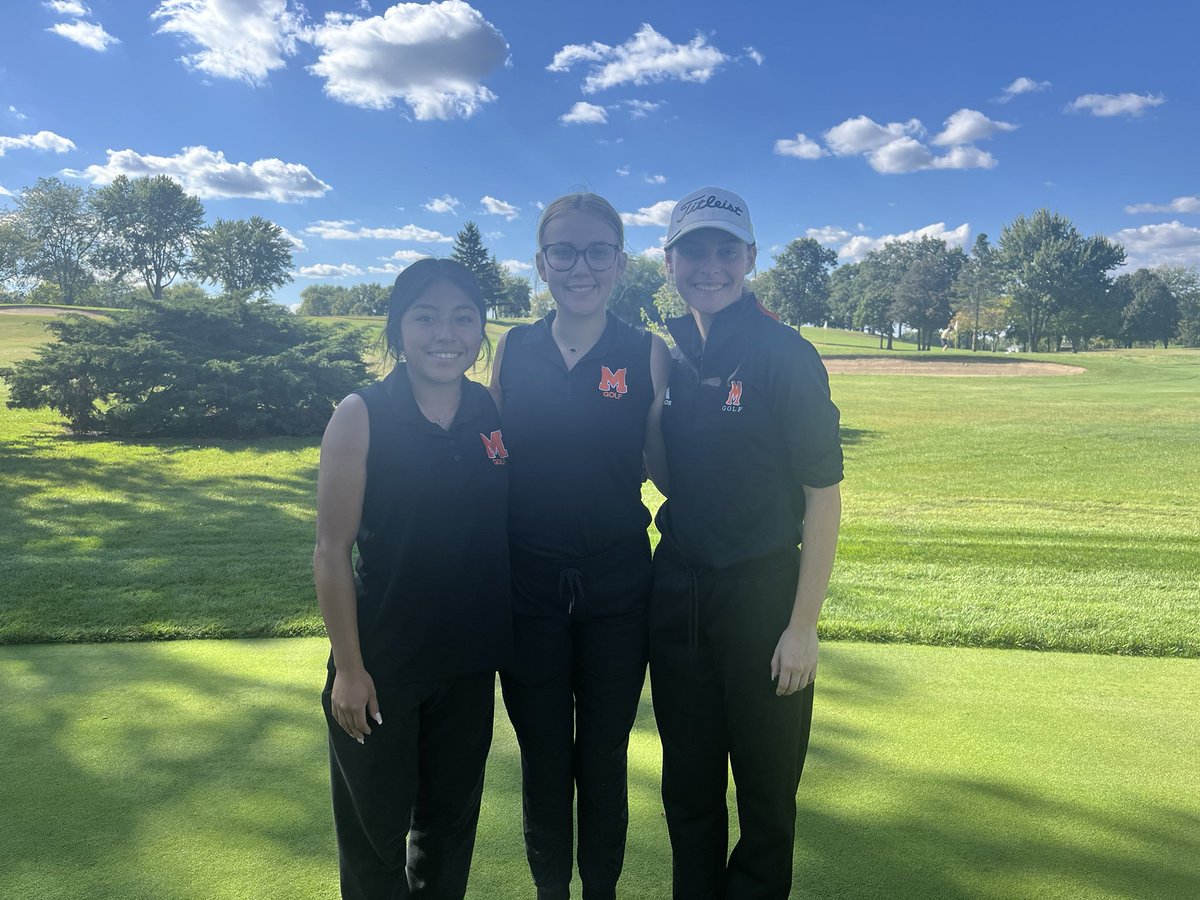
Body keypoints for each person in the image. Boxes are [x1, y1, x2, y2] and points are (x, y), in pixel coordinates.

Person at [648, 187, 844, 899]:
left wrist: (803, 626)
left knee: (765, 801)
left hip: (764, 595)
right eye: (694, 251)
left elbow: (823, 494)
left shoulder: (785, 356)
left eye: (726, 251)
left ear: (750, 259)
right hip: (679, 598)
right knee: (689, 793)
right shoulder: (668, 357)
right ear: (669, 262)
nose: (710, 265)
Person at [489, 192, 670, 900]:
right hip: (527, 586)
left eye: (598, 251)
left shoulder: (648, 353)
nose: (580, 266)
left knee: (602, 758)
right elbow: (492, 458)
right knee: (541, 760)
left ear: (621, 263)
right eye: (563, 252)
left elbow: (667, 467)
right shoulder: (514, 348)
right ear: (541, 264)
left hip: (619, 587)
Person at [313, 258, 513, 899]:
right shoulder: (361, 413)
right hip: (383, 667)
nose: (445, 333)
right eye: (425, 317)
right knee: (376, 844)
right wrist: (349, 668)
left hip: (467, 667)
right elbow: (331, 548)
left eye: (463, 318)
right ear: (399, 330)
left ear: (481, 330)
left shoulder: (486, 408)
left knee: (448, 834)